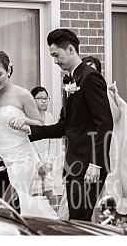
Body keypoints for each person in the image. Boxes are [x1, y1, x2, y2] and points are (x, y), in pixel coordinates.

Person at [11, 29, 114, 221]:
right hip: (74, 165)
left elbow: (105, 124)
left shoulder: (90, 78)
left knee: (80, 221)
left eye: (56, 55)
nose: (55, 61)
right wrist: (29, 130)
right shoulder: (70, 80)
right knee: (76, 220)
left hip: (89, 167)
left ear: (70, 49)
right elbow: (64, 126)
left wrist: (96, 164)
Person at [0, 51, 57, 219]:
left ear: (8, 70)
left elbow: (41, 125)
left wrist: (25, 121)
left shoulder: (22, 94)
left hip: (21, 158)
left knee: (10, 203)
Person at [83, 56, 127, 218]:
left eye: (92, 70)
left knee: (102, 196)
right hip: (84, 149)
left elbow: (115, 116)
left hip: (104, 149)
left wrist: (109, 96)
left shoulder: (104, 92)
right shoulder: (80, 92)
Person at [30, 87, 68, 219]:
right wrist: (38, 163)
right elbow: (29, 143)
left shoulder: (49, 117)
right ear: (32, 100)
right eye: (40, 98)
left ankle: (52, 220)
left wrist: (49, 161)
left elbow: (52, 142)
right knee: (35, 195)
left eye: (46, 98)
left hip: (47, 159)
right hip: (33, 160)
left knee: (50, 194)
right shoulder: (29, 118)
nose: (44, 101)